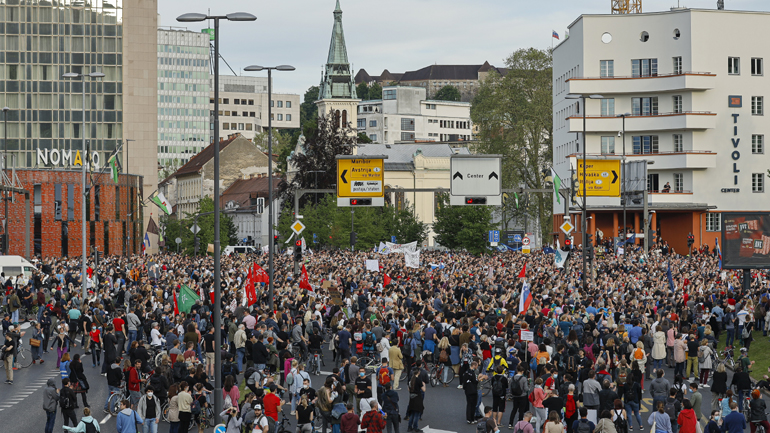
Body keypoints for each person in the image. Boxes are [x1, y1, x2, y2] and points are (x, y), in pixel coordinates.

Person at [509, 364, 530, 428]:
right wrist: (529, 387)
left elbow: (510, 387)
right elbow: (526, 389)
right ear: (522, 371)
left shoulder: (512, 378)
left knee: (514, 409)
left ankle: (510, 423)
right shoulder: (523, 379)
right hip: (522, 396)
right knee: (521, 410)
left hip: (515, 396)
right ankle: (520, 424)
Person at [406, 368, 425, 433]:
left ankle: (409, 427)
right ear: (418, 372)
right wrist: (424, 385)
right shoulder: (419, 380)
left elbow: (409, 389)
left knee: (412, 413)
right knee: (417, 413)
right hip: (417, 398)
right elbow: (423, 390)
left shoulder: (411, 380)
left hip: (411, 398)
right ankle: (415, 427)